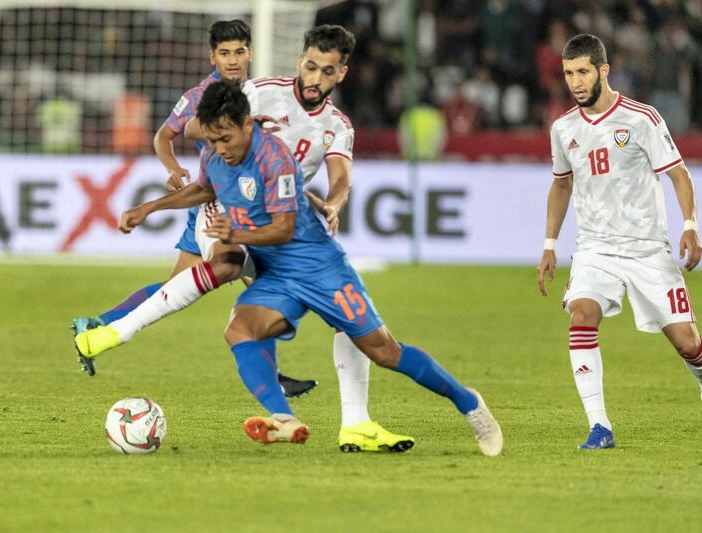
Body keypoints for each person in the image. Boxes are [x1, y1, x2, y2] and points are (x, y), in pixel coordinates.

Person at [79, 80, 504, 456]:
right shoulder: (216, 154)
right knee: (240, 330)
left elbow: (282, 229)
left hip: (320, 268)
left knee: (385, 351)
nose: (220, 149)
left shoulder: (273, 158)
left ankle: (469, 403)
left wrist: (238, 230)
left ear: (248, 125)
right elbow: (203, 188)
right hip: (278, 276)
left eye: (226, 138)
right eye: (212, 140)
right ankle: (284, 418)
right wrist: (149, 208)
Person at [71, 19, 315, 396]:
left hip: (235, 200)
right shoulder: (202, 95)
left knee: (177, 285)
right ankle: (271, 378)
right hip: (214, 204)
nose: (232, 61)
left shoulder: (265, 93)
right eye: (224, 53)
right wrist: (172, 168)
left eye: (238, 52)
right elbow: (172, 133)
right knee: (257, 280)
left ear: (250, 53)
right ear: (211, 56)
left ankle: (97, 323)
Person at [537, 34, 702, 450]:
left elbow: (678, 174)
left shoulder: (641, 118)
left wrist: (689, 224)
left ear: (603, 70)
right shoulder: (563, 128)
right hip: (595, 249)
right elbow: (561, 185)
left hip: (647, 249)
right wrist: (549, 245)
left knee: (688, 344)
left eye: (583, 72)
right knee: (581, 315)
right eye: (569, 73)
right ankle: (600, 426)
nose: (575, 82)